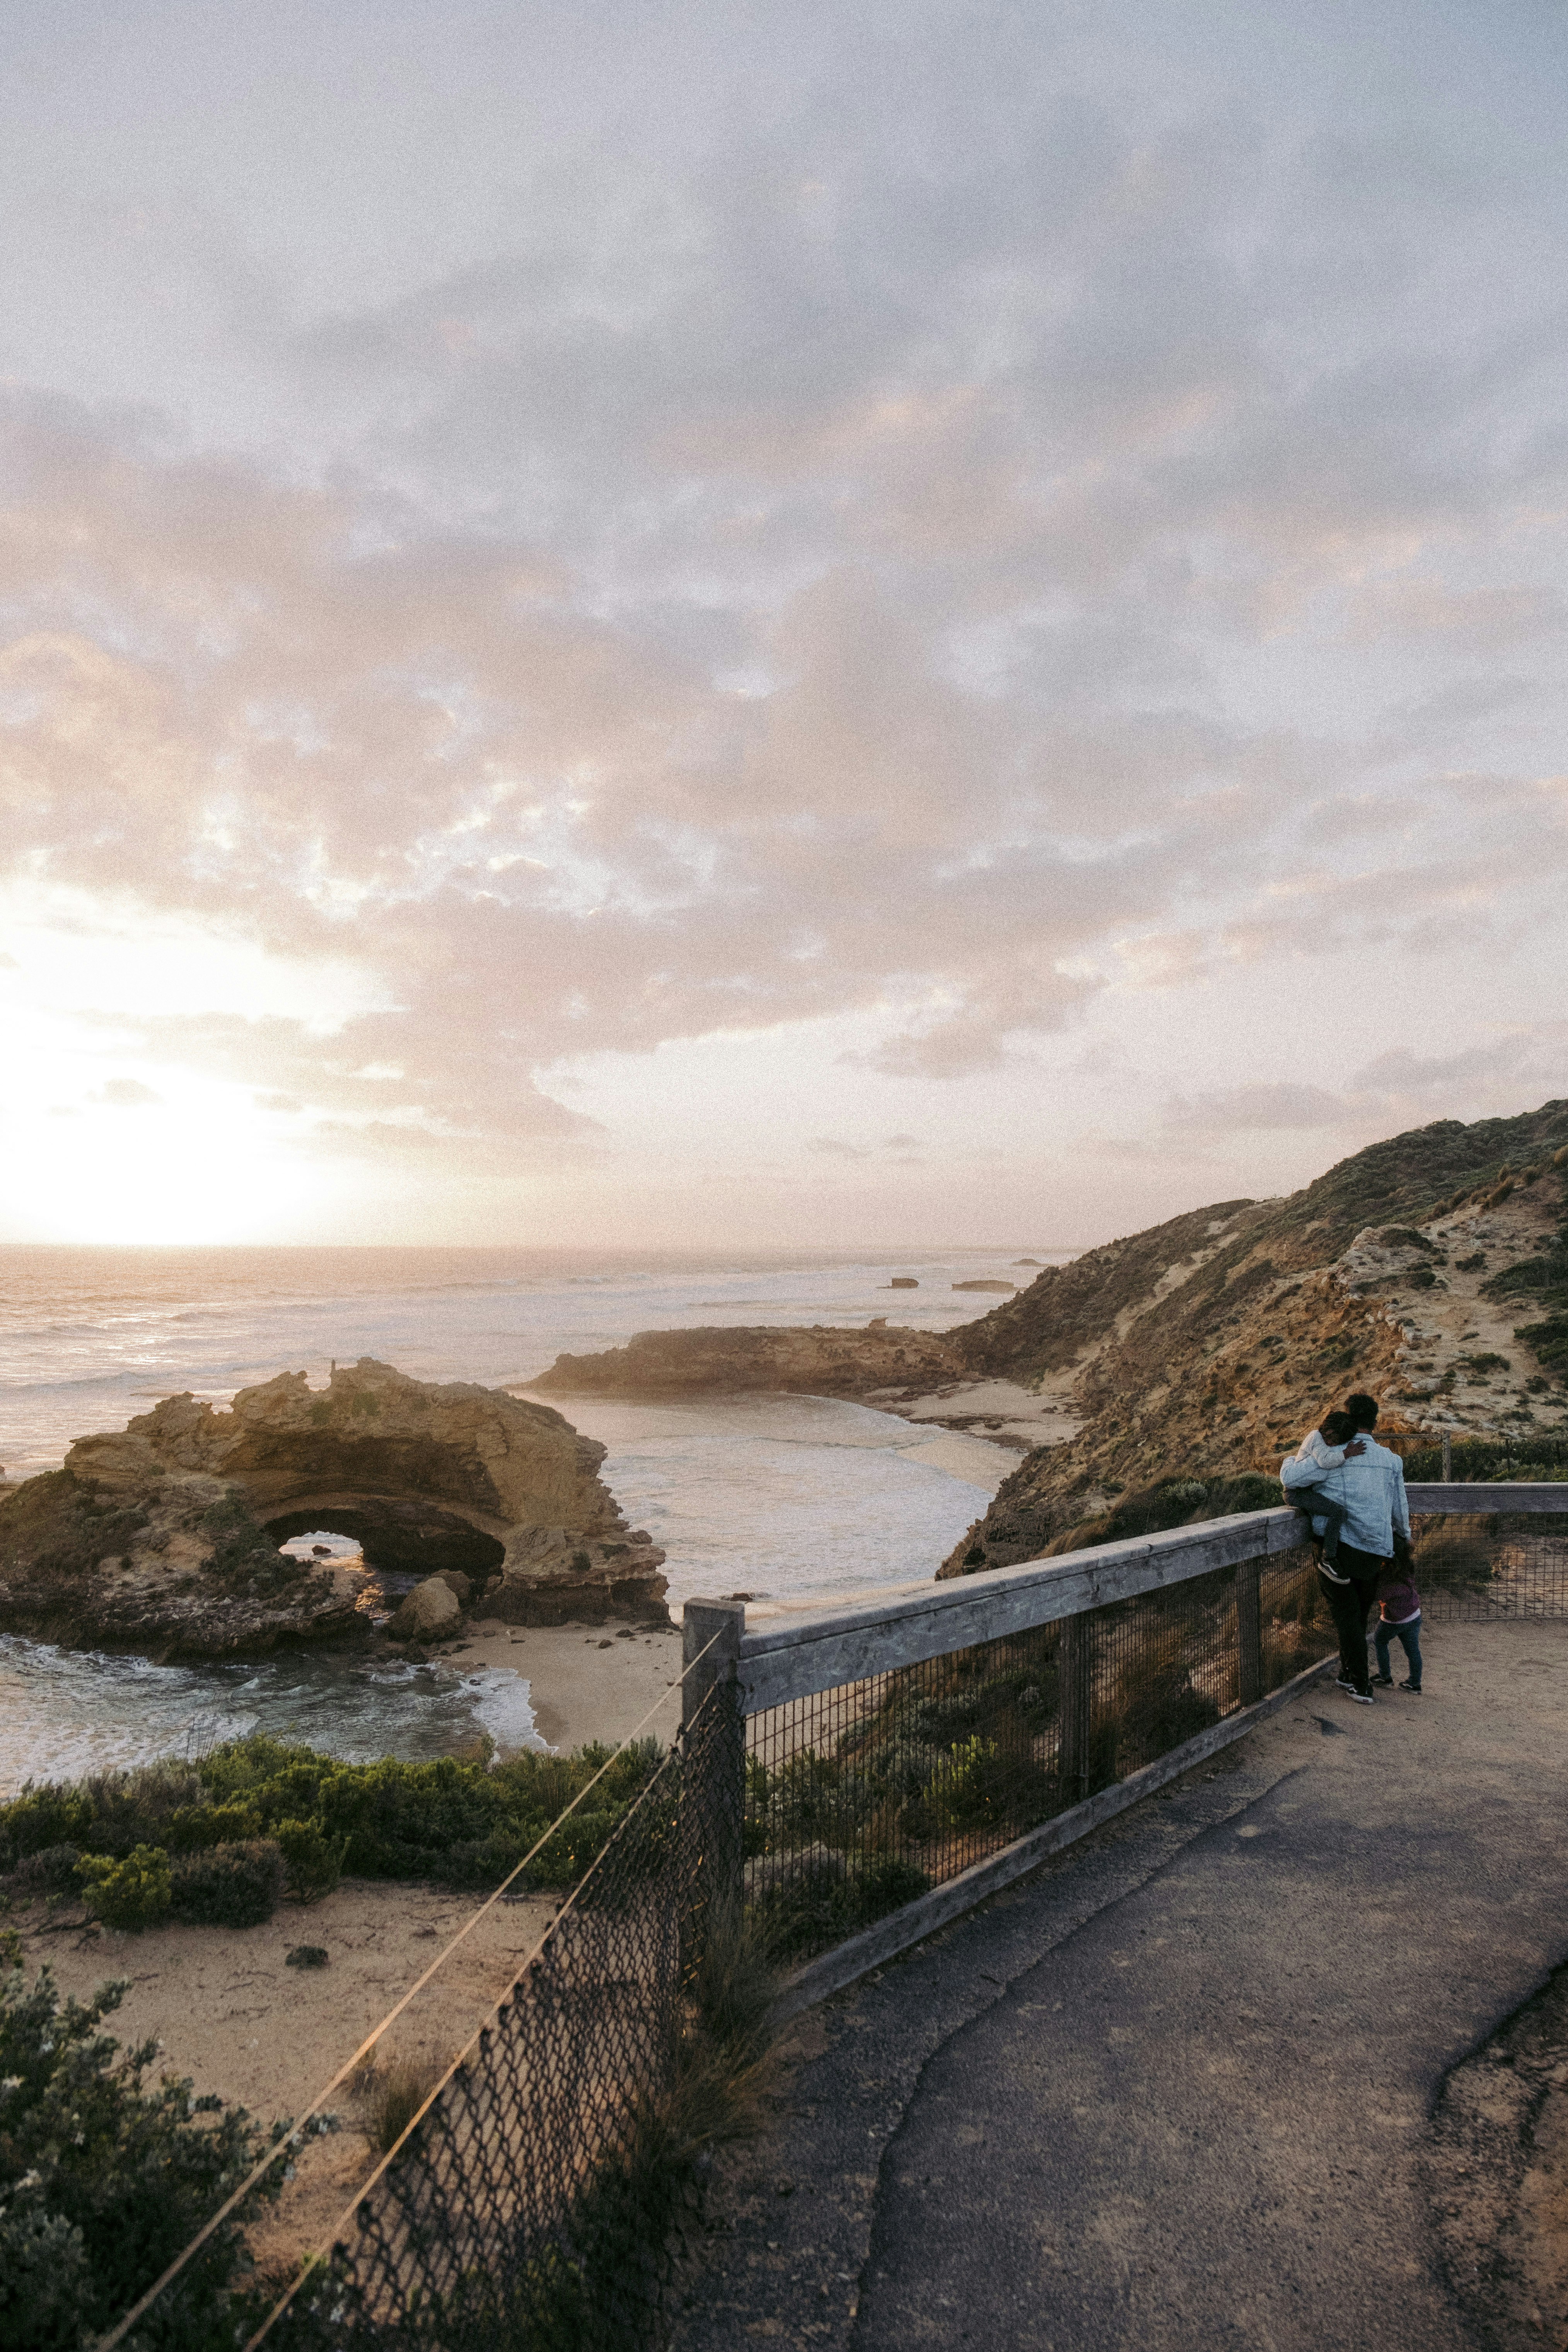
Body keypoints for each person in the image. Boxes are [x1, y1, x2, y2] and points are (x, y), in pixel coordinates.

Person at [1281, 1391, 1411, 1704]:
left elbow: (1292, 1480)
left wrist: (1292, 1459)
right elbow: (1399, 1508)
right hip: (1376, 1549)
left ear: (1348, 1420)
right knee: (1360, 1613)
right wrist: (1403, 1538)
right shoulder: (1391, 1460)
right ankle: (1346, 1673)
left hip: (1339, 1549)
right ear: (1374, 1421)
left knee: (1345, 1616)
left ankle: (1361, 1684)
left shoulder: (1336, 1455)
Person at [1280, 1408, 1356, 1567]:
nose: (1331, 1443)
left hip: (1304, 1490)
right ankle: (1329, 1557)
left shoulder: (1324, 1440)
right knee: (1337, 1512)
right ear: (1325, 1429)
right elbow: (1325, 1462)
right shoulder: (1315, 1436)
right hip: (1296, 1493)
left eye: (1336, 1441)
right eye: (1329, 1437)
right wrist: (1347, 1453)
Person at [1372, 1554, 1423, 1694]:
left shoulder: (1387, 1577)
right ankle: (1415, 1683)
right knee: (1413, 1651)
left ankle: (1385, 1677)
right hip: (1414, 1615)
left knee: (1380, 1641)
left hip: (1394, 1619)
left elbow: (1377, 1595)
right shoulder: (1407, 1570)